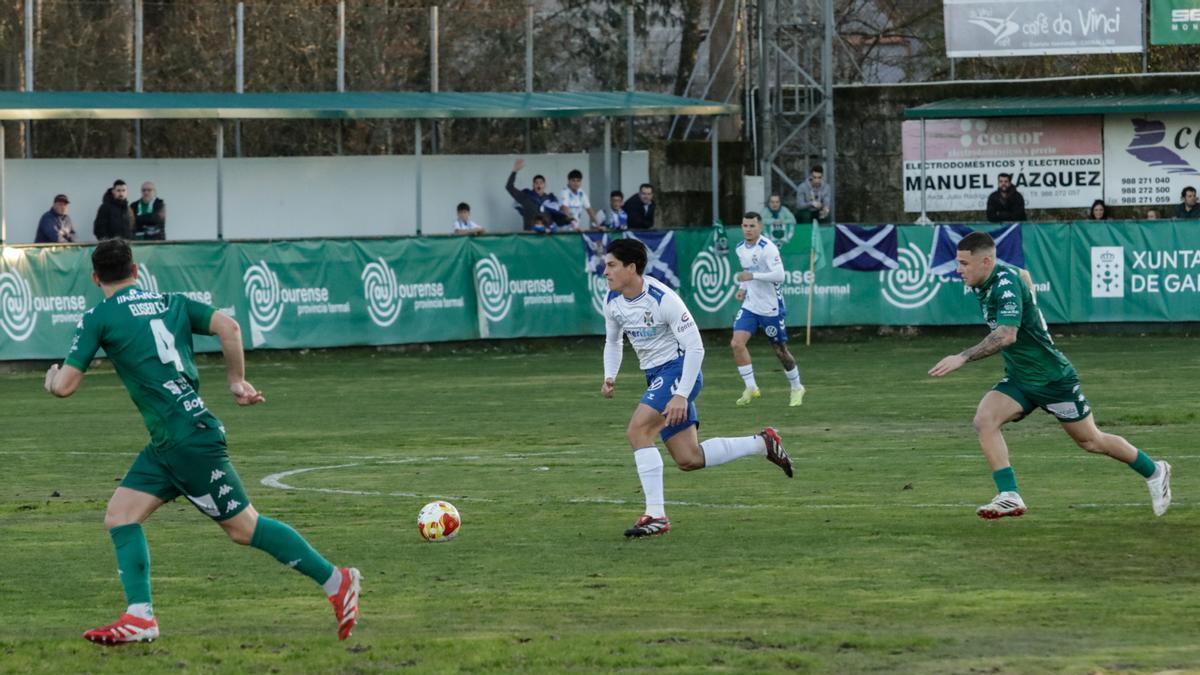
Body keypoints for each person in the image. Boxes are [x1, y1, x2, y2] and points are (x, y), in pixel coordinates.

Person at [44, 239, 361, 644]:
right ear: (136, 270)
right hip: (173, 439)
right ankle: (140, 617)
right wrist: (235, 381)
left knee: (245, 529)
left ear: (94, 278)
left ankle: (338, 581)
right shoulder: (171, 302)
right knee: (121, 516)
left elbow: (66, 386)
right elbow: (229, 327)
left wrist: (51, 379)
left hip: (186, 441)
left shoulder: (99, 317)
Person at [928, 231, 1172, 520]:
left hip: (1052, 379)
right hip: (1020, 377)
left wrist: (963, 357)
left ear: (984, 262)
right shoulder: (993, 275)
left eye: (964, 264)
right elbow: (1020, 272)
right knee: (985, 420)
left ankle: (1155, 471)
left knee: (1091, 441)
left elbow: (1007, 335)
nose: (958, 269)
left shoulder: (1005, 284)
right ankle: (1009, 495)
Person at [600, 238, 794, 538]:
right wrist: (610, 375)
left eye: (611, 265)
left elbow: (695, 347)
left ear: (631, 267)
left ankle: (656, 516)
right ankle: (763, 443)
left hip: (679, 370)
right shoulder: (612, 301)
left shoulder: (663, 298)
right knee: (689, 458)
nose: (605, 272)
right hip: (657, 377)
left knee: (638, 431)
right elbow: (612, 341)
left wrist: (680, 394)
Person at [730, 212, 806, 408]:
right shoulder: (740, 248)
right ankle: (751, 387)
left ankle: (797, 387)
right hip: (750, 306)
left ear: (760, 227)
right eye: (745, 225)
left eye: (752, 226)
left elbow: (779, 276)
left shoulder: (767, 248)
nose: (748, 229)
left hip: (771, 307)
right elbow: (747, 274)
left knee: (780, 351)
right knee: (737, 344)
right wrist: (742, 288)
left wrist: (752, 277)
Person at [504, 158, 571, 231]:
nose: (539, 185)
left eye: (541, 183)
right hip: (530, 237)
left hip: (546, 238)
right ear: (533, 185)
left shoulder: (551, 200)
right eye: (536, 183)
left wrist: (567, 220)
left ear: (544, 185)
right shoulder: (525, 197)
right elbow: (509, 187)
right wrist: (514, 171)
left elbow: (557, 219)